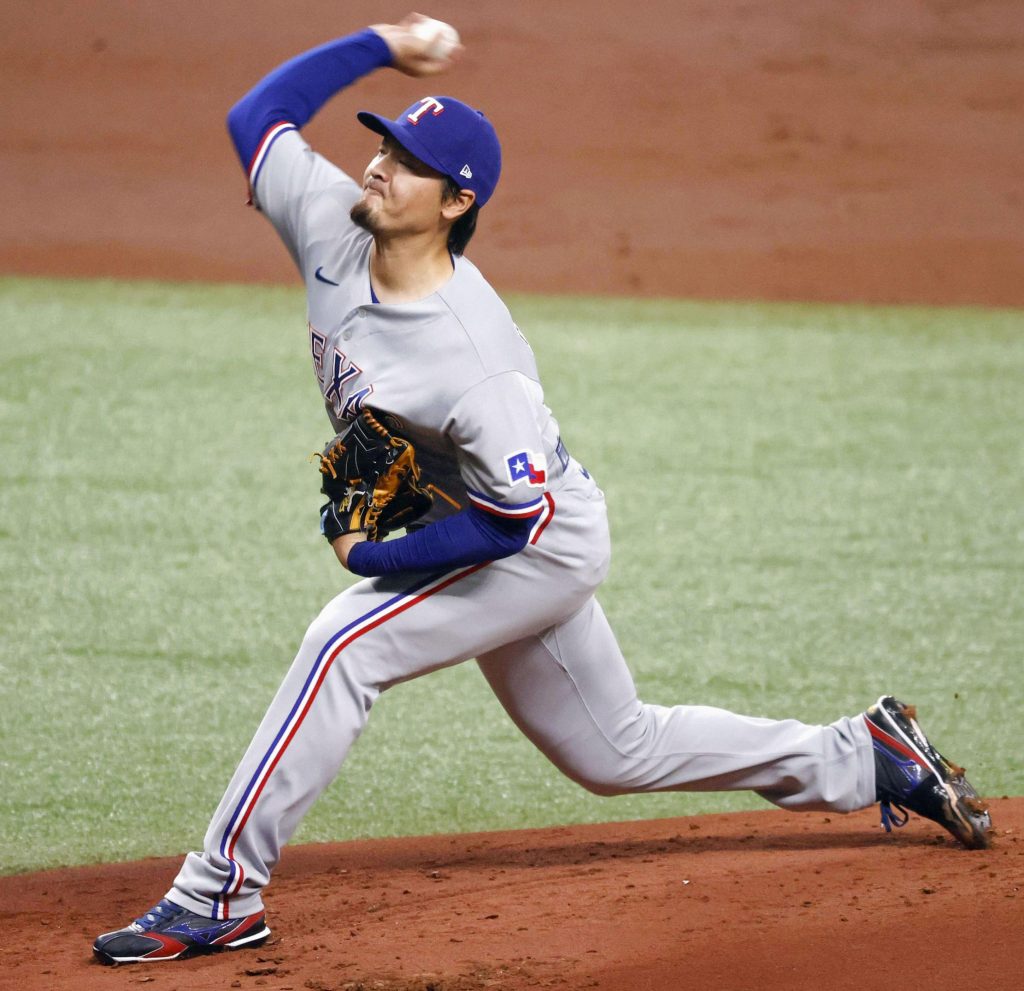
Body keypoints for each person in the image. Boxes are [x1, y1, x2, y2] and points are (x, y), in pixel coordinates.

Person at [92, 13, 991, 965]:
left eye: (407, 160)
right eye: (384, 144)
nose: (378, 166)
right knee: (617, 752)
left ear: (454, 201)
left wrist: (377, 558)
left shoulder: (476, 359)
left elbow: (513, 520)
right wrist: (382, 43)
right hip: (494, 515)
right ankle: (866, 753)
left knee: (341, 645)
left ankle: (219, 892)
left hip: (536, 540)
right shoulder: (329, 220)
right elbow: (257, 114)